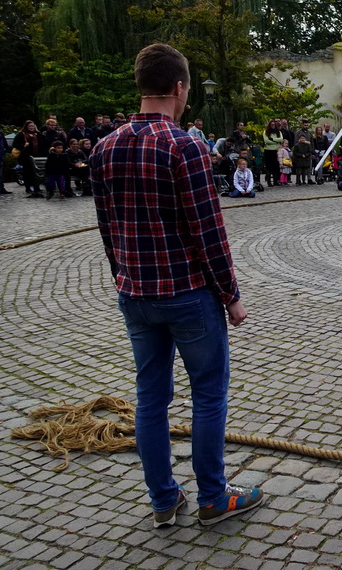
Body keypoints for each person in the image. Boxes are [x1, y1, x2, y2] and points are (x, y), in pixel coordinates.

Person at [89, 43, 263, 528]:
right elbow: (208, 231)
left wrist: (124, 278)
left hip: (136, 294)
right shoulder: (185, 146)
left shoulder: (105, 146)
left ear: (142, 86)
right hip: (188, 294)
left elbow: (107, 229)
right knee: (208, 394)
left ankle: (164, 499)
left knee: (150, 398)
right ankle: (213, 497)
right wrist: (231, 295)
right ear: (180, 88)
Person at [13, 120, 43, 197]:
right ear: (26, 126)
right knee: (27, 172)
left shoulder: (38, 134)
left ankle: (37, 187)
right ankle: (28, 187)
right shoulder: (21, 134)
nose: (31, 127)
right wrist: (23, 145)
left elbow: (43, 143)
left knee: (36, 173)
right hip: (26, 157)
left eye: (32, 126)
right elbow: (15, 144)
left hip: (36, 156)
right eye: (30, 126)